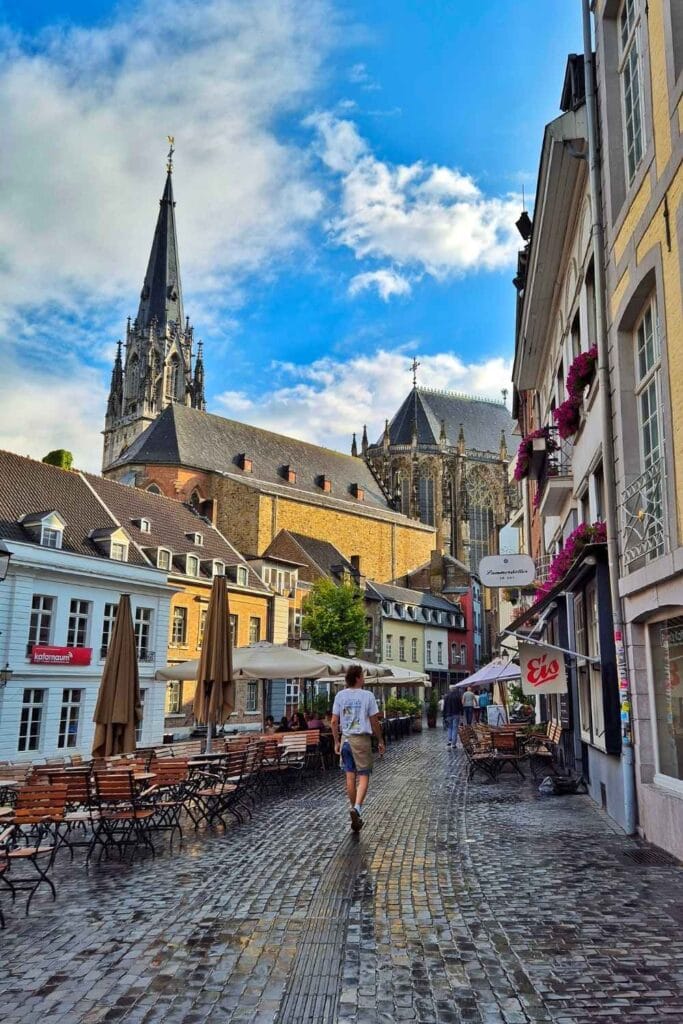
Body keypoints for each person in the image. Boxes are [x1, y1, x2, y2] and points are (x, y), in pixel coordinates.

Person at [331, 664, 385, 832]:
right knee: (363, 776)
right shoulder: (367, 696)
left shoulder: (340, 695)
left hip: (346, 740)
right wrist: (380, 740)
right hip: (361, 741)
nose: (364, 678)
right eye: (362, 675)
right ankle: (357, 808)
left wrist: (336, 741)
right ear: (357, 678)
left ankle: (355, 811)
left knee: (349, 777)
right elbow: (374, 721)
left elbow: (333, 721)